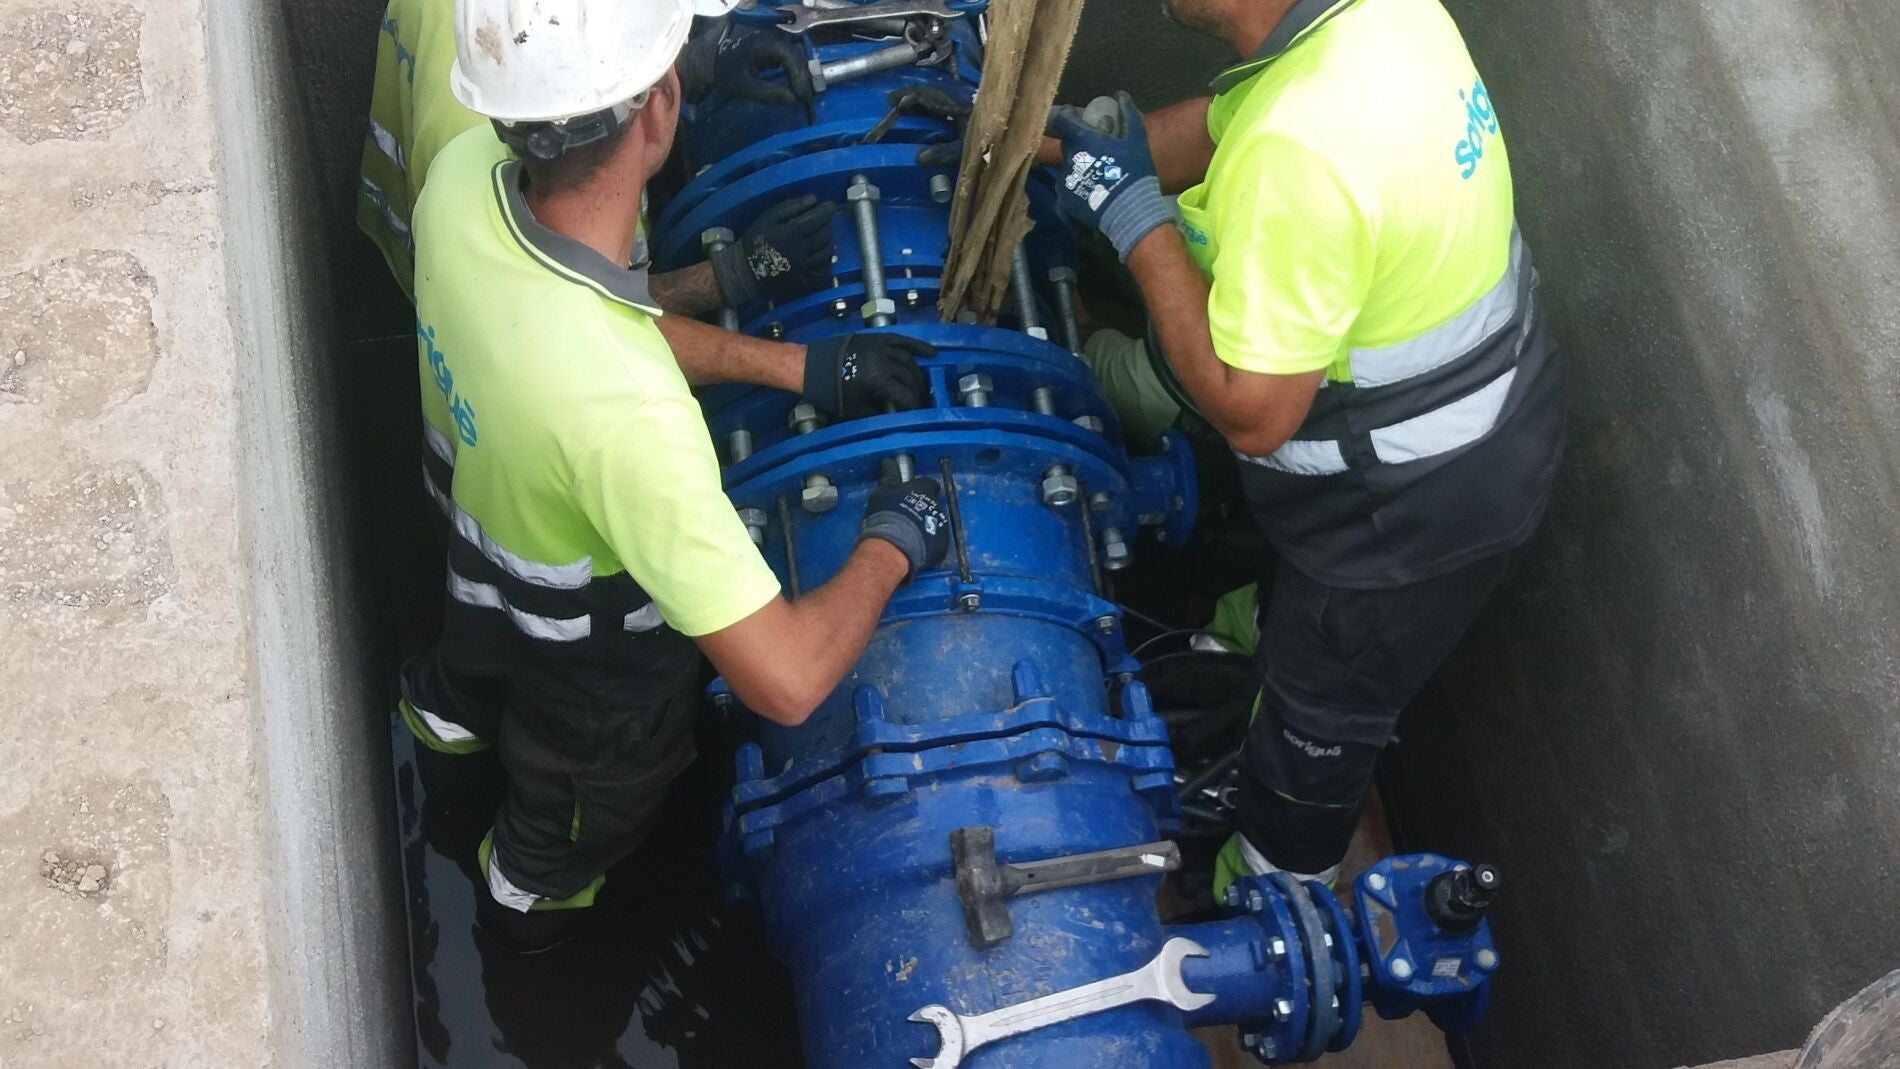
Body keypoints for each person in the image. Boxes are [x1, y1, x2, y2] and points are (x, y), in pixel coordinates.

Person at [400, 0, 951, 947]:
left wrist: (794, 361)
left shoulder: (458, 181)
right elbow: (788, 679)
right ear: (658, 108)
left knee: (461, 690)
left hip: (475, 552)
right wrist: (893, 543)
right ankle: (520, 919)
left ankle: (435, 768)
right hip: (592, 669)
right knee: (572, 819)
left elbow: (583, 315)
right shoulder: (631, 425)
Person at [1042, 0, 1565, 893]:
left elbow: (1250, 413)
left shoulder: (1304, 155)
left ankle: (1272, 891)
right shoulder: (1374, 25)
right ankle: (1242, 653)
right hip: (1487, 412)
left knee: (1316, 723)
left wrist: (1134, 220)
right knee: (1297, 606)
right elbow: (1220, 128)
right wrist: (1049, 154)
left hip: (1411, 518)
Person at [357, 0, 905, 419]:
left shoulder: (510, 56)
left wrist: (693, 63)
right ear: (655, 101)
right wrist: (748, 299)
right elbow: (584, 327)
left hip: (430, 247)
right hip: (477, 343)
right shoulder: (632, 424)